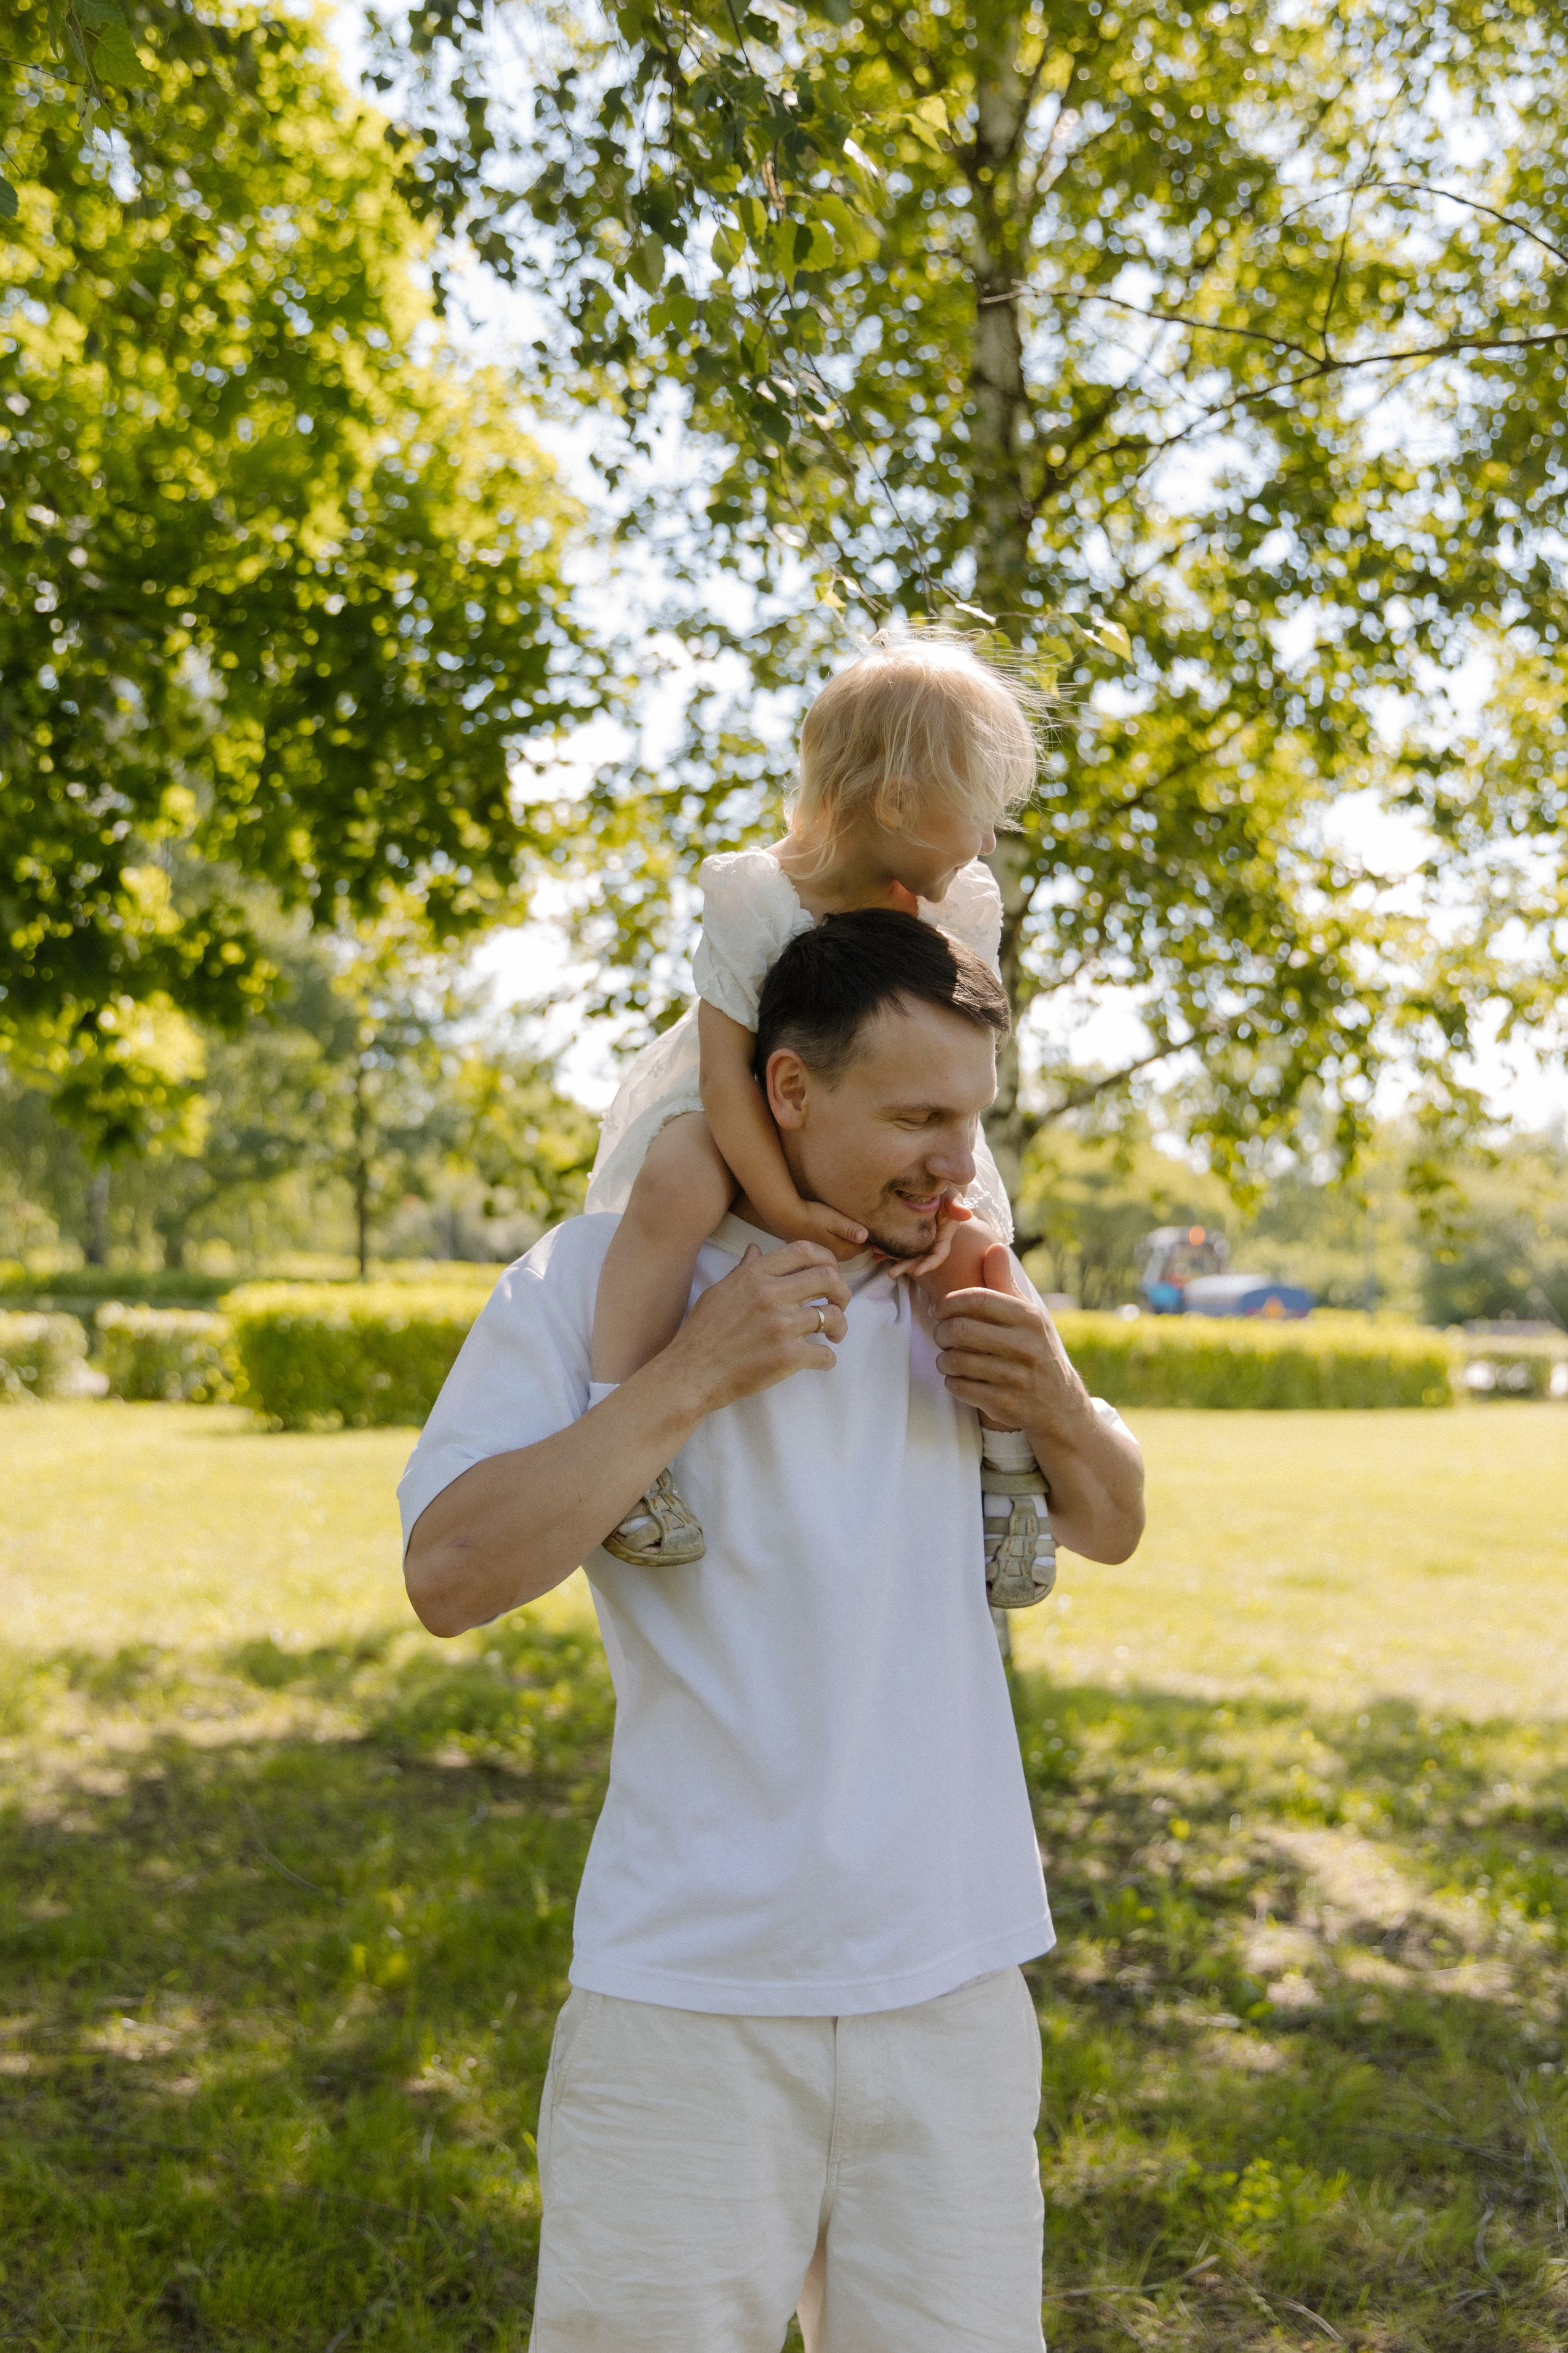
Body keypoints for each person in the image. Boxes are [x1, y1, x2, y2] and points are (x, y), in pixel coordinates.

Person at [401, 909, 1145, 2353]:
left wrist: (1055, 1404)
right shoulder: (599, 1278)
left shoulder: (966, 1280)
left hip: (952, 1988)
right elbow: (449, 1574)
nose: (957, 1157)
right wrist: (688, 1374)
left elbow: (1108, 1522)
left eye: (973, 1116)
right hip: (686, 1997)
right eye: (917, 1115)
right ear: (786, 1093)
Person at [584, 627, 1051, 1580]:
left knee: (972, 1247)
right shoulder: (755, 894)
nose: (988, 841)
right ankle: (621, 1433)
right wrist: (788, 1207)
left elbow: (957, 1054)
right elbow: (724, 1078)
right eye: (977, 814)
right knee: (674, 1179)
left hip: (876, 1112)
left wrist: (931, 1172)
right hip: (750, 1098)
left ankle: (1008, 1470)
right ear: (898, 801)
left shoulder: (959, 902)